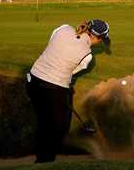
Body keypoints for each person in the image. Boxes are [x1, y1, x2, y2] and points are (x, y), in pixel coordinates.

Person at [26, 20, 110, 163]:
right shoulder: (88, 56)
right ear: (98, 38)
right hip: (54, 89)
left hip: (32, 81)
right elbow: (71, 72)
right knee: (57, 128)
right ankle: (44, 161)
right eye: (102, 40)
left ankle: (42, 156)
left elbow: (51, 47)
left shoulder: (63, 28)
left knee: (44, 121)